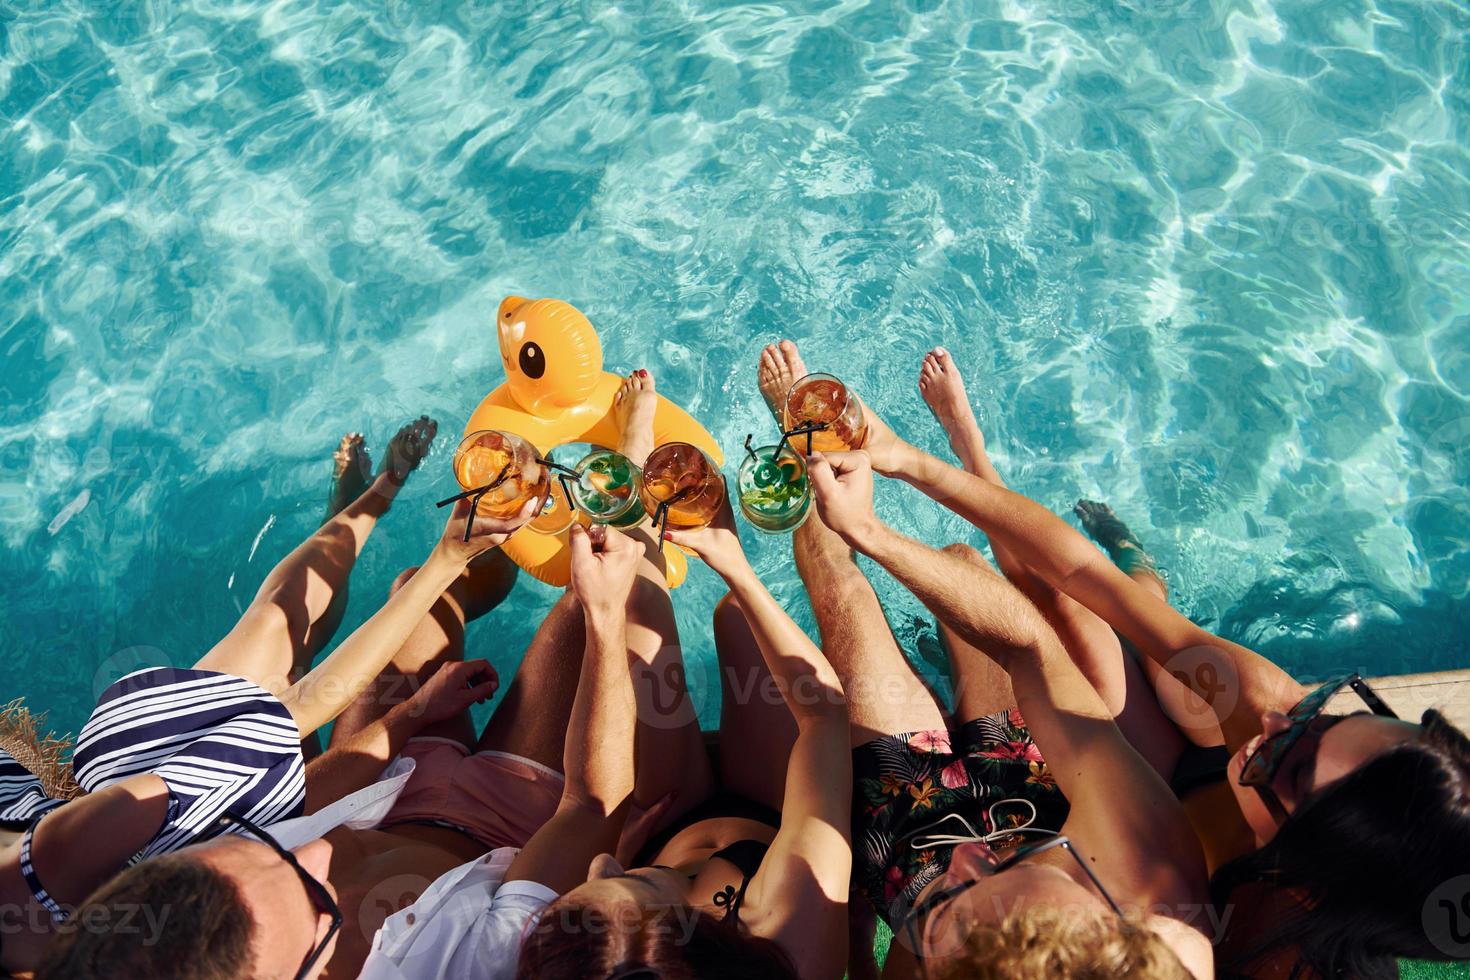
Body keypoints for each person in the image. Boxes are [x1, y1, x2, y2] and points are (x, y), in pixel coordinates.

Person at [839, 343, 1470, 977]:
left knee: (1080, 637)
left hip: (1148, 821)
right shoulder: (1264, 716)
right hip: (1166, 770)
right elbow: (1084, 574)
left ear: (1309, 885)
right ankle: (1015, 476)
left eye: (1297, 766)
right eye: (1329, 714)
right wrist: (909, 462)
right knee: (1109, 607)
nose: (1278, 727)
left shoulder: (1250, 952)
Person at [0, 418, 530, 974]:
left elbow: (298, 704)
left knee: (278, 627)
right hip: (160, 877)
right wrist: (447, 560)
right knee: (288, 692)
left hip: (114, 834)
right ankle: (369, 505)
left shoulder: (82, 839)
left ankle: (368, 502)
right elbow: (302, 705)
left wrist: (431, 548)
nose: (313, 853)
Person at [516, 483, 853, 977]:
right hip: (775, 809)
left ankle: (627, 480)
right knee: (736, 617)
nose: (600, 863)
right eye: (637, 884)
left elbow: (595, 830)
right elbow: (824, 716)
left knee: (637, 604)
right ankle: (800, 487)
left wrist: (633, 856)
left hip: (669, 820)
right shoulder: (791, 929)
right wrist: (735, 568)